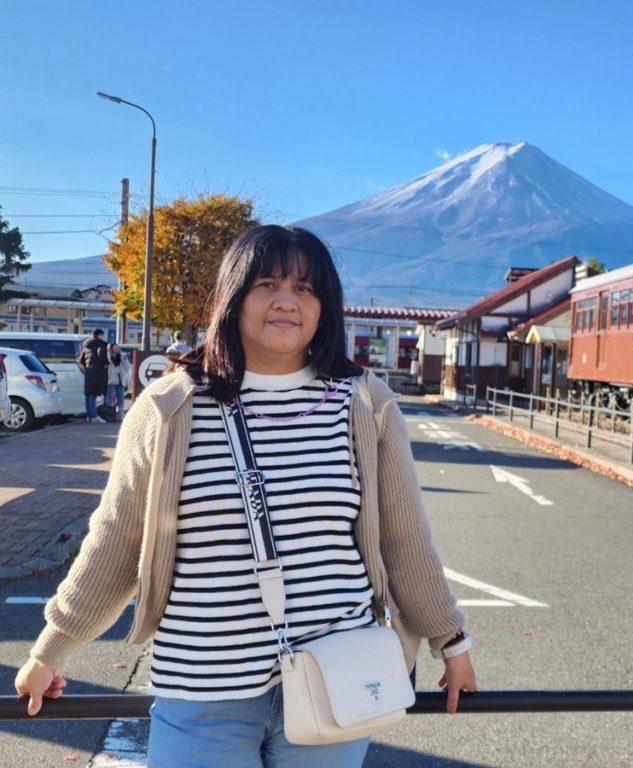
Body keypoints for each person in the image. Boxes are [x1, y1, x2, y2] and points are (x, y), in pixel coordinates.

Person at [15, 225, 476, 768]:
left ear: (326, 307)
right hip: (203, 688)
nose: (287, 300)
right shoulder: (169, 408)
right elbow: (116, 542)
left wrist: (453, 641)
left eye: (306, 288)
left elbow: (406, 540)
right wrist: (52, 648)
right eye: (267, 284)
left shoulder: (364, 404)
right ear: (233, 299)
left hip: (339, 678)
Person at [76, 328, 108, 424]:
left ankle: (89, 416)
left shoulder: (86, 346)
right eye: (103, 335)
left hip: (89, 373)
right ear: (99, 335)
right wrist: (106, 363)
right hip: (97, 373)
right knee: (93, 395)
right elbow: (101, 354)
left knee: (89, 395)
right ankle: (94, 416)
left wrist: (86, 368)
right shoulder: (100, 344)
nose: (103, 337)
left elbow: (80, 360)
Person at [104, 343, 129, 421]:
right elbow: (109, 360)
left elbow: (126, 367)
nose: (116, 349)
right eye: (114, 348)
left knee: (121, 398)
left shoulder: (121, 356)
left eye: (117, 348)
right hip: (111, 379)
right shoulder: (109, 356)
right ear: (111, 349)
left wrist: (125, 360)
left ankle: (120, 415)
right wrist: (108, 351)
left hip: (120, 379)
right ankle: (110, 415)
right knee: (110, 398)